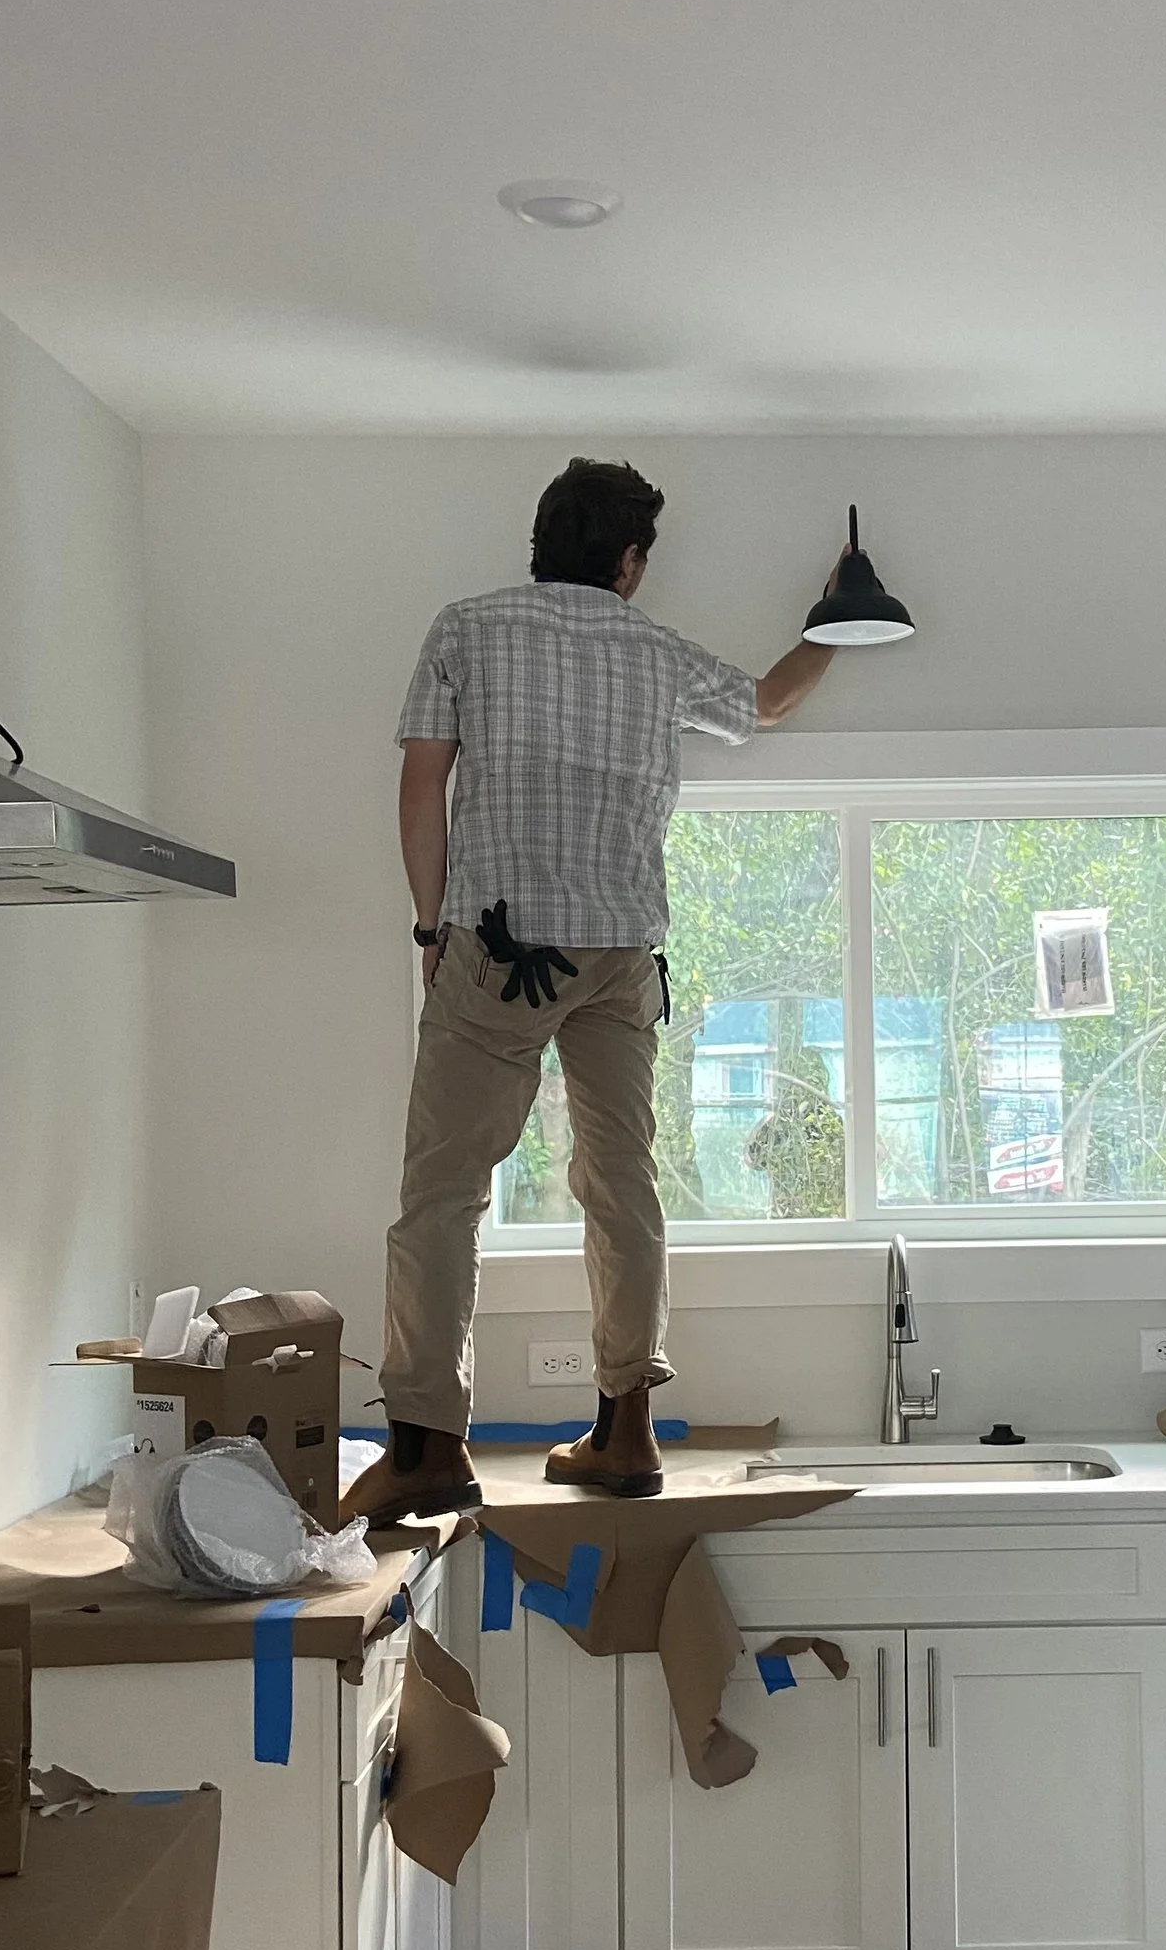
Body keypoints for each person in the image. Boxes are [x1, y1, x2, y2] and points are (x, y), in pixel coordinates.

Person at [347, 459, 850, 1522]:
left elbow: (421, 777)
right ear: (627, 561)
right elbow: (764, 703)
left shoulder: (467, 629)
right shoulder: (653, 651)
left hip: (502, 944)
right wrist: (835, 624)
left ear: (543, 543)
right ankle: (626, 1432)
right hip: (620, 955)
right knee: (620, 1182)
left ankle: (429, 1445)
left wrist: (430, 927)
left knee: (443, 1197)